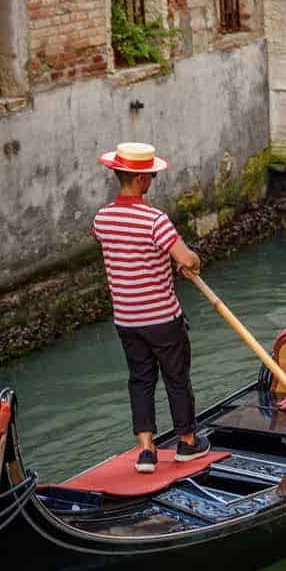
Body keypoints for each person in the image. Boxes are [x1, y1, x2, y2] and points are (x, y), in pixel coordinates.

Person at [93, 142, 208, 474]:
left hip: (127, 319)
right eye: (151, 177)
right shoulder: (155, 219)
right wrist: (191, 261)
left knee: (140, 380)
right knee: (176, 379)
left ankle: (146, 451)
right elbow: (186, 259)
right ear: (142, 180)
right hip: (161, 317)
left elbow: (117, 248)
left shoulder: (102, 218)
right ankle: (187, 443)